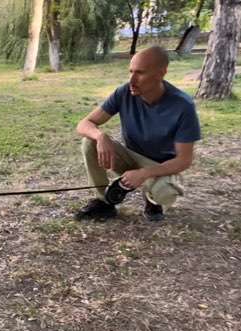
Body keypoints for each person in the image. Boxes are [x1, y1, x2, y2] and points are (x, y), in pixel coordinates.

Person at [74, 46, 201, 222]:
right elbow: (84, 124)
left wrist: (144, 173)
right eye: (131, 71)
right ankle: (104, 202)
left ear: (161, 73)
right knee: (89, 142)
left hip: (160, 166)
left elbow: (184, 160)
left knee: (167, 191)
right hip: (130, 157)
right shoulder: (124, 92)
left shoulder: (183, 106)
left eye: (140, 73)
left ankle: (153, 200)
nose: (132, 80)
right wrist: (100, 136)